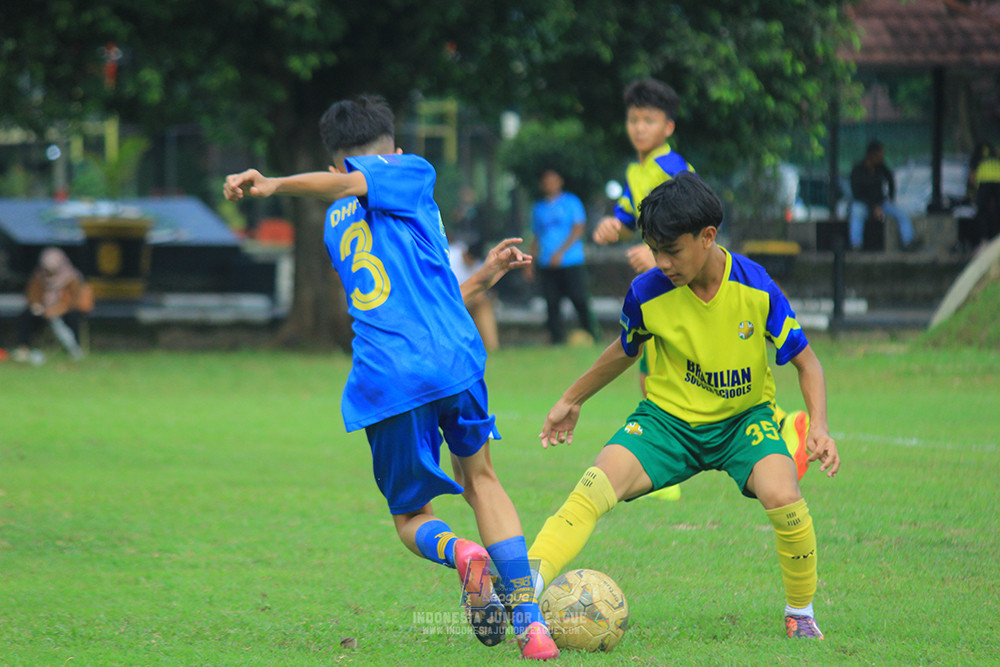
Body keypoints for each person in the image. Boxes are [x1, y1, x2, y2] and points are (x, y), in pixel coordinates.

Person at [223, 94, 559, 660]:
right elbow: (354, 184)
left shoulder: (334, 221)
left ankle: (463, 554)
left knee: (410, 518)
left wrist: (484, 276)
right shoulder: (411, 171)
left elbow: (414, 297)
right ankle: (533, 628)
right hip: (453, 360)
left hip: (390, 376)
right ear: (394, 154)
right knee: (482, 480)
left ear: (331, 161)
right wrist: (273, 183)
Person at [527, 173, 840, 640]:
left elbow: (807, 362)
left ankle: (801, 612)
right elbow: (624, 349)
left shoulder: (755, 286)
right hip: (667, 423)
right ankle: (521, 592)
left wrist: (820, 426)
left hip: (743, 423)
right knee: (593, 486)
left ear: (707, 236)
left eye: (672, 250)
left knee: (784, 495)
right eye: (655, 250)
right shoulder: (648, 291)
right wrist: (571, 399)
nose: (662, 262)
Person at [591, 79, 809, 501]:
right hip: (664, 288)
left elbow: (684, 213)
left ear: (668, 126)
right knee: (656, 370)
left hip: (683, 287)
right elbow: (628, 215)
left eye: (648, 120)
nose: (639, 128)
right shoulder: (635, 171)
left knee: (663, 372)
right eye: (633, 119)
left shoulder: (673, 167)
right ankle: (780, 424)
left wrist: (654, 251)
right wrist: (613, 225)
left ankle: (669, 465)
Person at [524, 168, 600, 345]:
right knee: (551, 302)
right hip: (547, 263)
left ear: (560, 181)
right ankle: (556, 339)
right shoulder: (539, 208)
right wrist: (529, 263)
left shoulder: (571, 202)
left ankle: (592, 334)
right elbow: (535, 236)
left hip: (571, 261)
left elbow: (578, 229)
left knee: (579, 299)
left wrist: (560, 253)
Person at [11, 247, 93, 363]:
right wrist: (39, 307)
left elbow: (76, 300)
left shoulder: (72, 278)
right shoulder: (39, 276)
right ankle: (24, 348)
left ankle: (75, 349)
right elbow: (32, 296)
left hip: (65, 311)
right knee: (27, 316)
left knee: (73, 317)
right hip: (44, 311)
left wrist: (58, 309)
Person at [848, 140, 917, 251]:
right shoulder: (858, 170)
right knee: (857, 212)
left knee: (901, 214)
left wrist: (890, 197)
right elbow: (857, 194)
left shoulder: (880, 168)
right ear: (872, 155)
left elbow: (890, 180)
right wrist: (873, 207)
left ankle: (908, 241)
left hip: (880, 203)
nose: (881, 157)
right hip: (863, 203)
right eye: (879, 155)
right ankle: (856, 244)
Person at [449, 234, 500, 351]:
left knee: (483, 305)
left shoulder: (478, 265)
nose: (472, 261)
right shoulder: (451, 257)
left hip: (469, 302)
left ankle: (492, 347)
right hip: (449, 301)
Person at [968, 141, 1000, 245]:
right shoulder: (995, 152)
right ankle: (996, 238)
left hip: (984, 181)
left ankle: (983, 239)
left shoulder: (977, 153)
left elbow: (972, 175)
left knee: (982, 211)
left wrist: (971, 193)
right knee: (997, 211)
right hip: (998, 180)